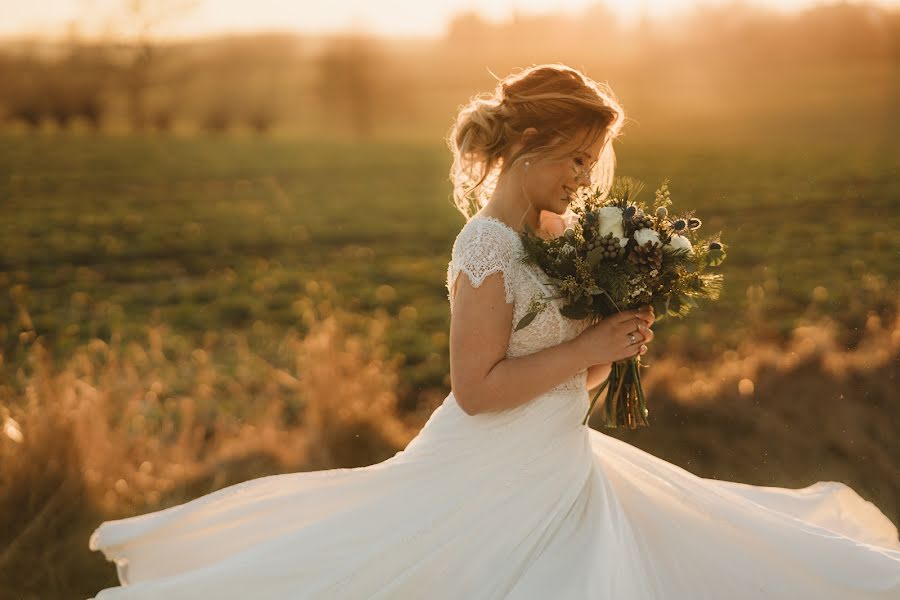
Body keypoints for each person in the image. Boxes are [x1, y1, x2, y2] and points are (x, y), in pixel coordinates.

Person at [88, 63, 900, 599]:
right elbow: (476, 392)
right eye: (575, 160)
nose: (586, 179)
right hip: (485, 473)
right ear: (527, 145)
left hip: (559, 467)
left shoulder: (554, 240)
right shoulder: (486, 246)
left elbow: (556, 379)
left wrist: (612, 350)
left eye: (593, 163)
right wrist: (586, 347)